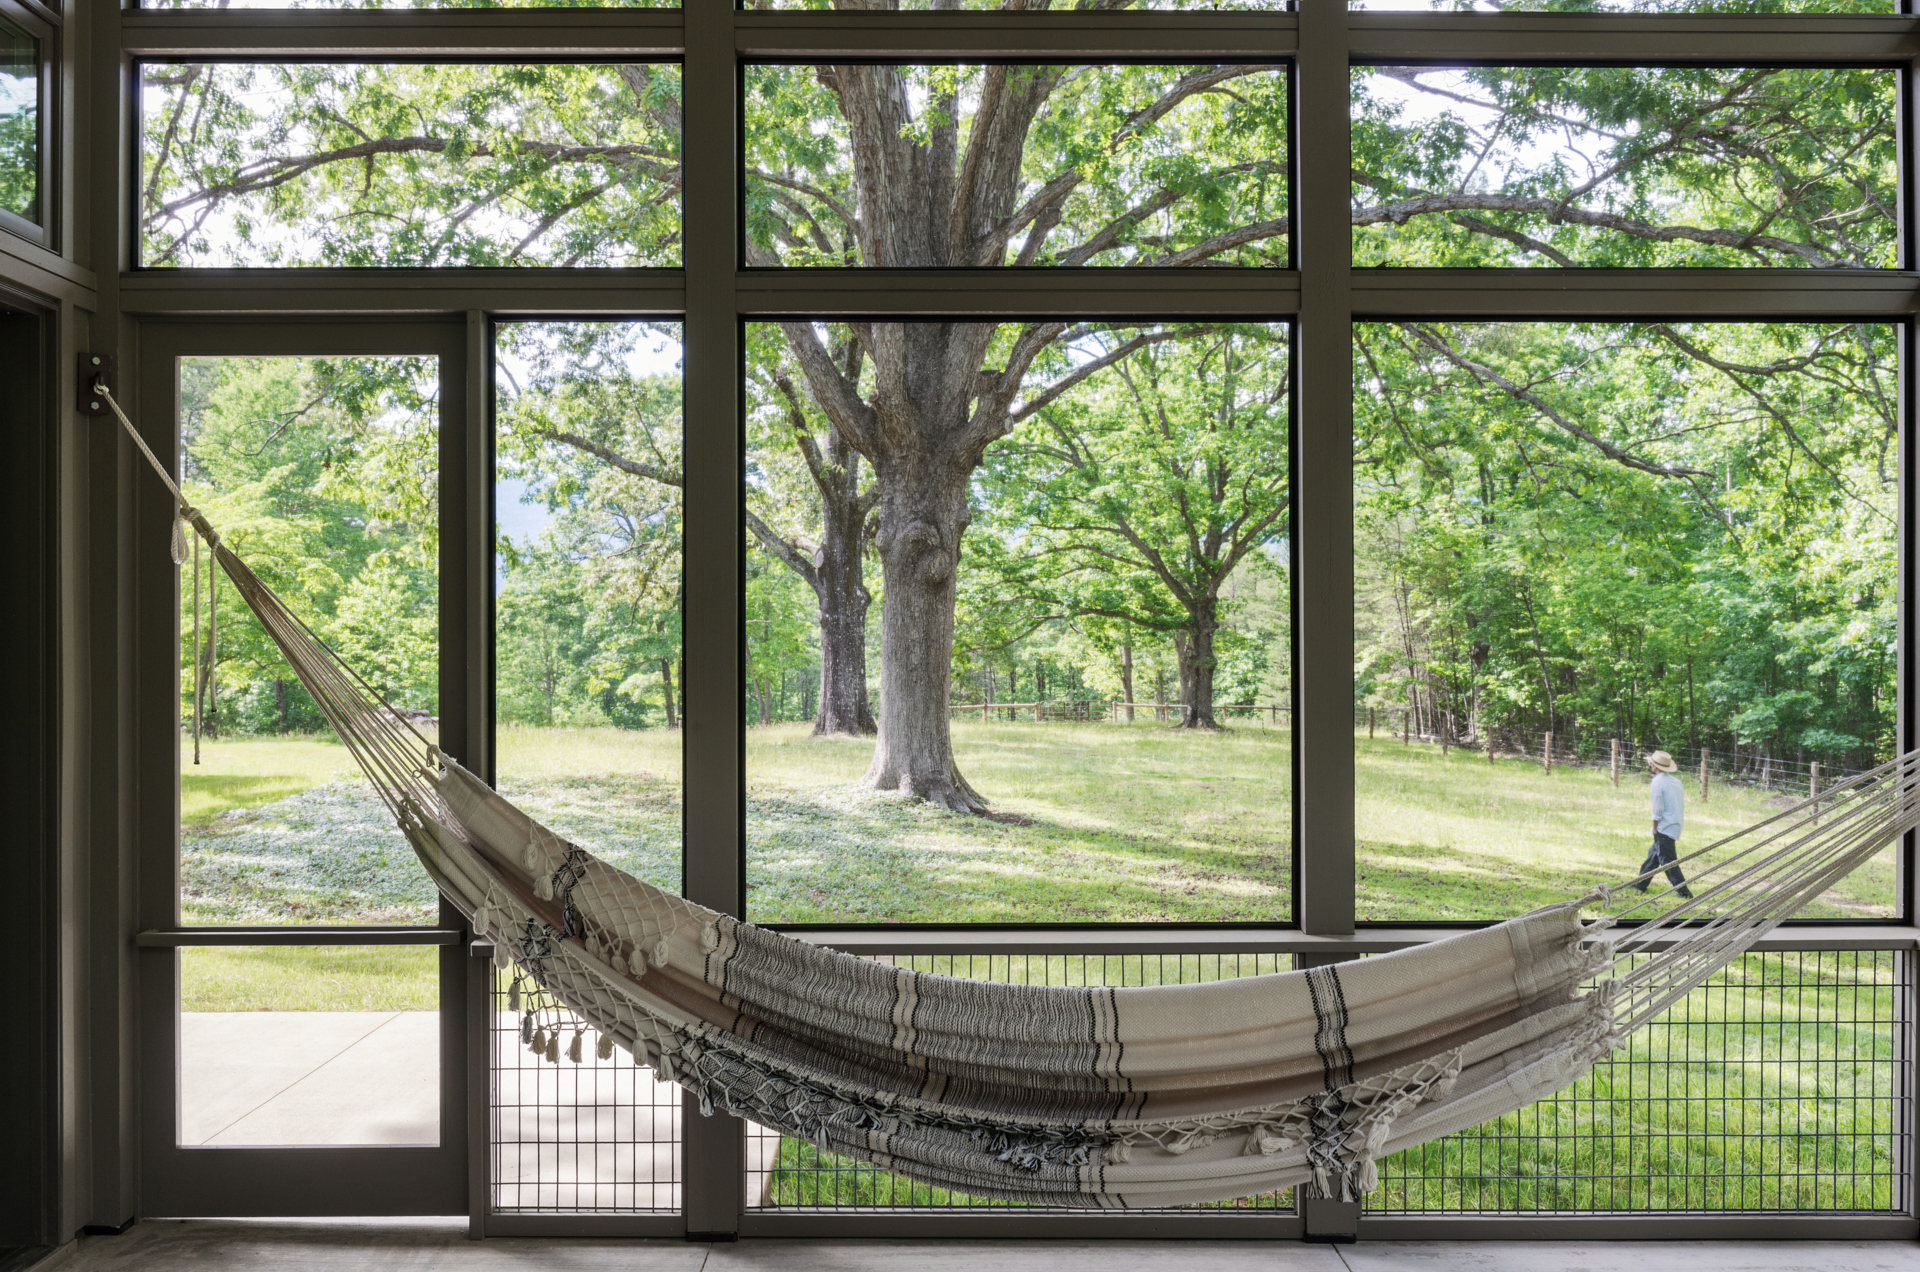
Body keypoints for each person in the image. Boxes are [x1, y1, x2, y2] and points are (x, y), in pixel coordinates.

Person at [1633, 750, 1693, 898]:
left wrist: (1655, 827)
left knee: (1668, 861)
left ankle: (1684, 892)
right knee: (1654, 855)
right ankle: (1640, 885)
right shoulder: (1675, 782)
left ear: (1655, 765)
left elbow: (1657, 808)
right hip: (1675, 823)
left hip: (1664, 826)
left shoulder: (1657, 782)